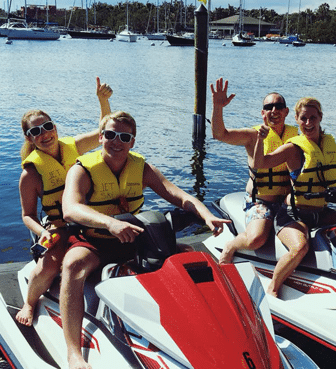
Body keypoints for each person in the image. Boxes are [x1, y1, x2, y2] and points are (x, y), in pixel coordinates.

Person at [61, 111, 231, 369]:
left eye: (124, 137)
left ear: (133, 141)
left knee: (190, 258)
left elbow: (178, 195)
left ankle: (210, 330)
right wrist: (110, 222)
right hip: (98, 241)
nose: (116, 141)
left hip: (134, 239)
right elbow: (70, 209)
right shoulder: (81, 170)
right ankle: (74, 351)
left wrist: (207, 215)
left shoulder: (142, 168)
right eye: (110, 135)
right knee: (73, 265)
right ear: (100, 137)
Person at [252, 97, 336, 298]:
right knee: (299, 248)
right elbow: (261, 163)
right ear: (297, 121)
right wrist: (259, 140)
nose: (308, 123)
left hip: (321, 212)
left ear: (320, 118)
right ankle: (273, 288)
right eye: (304, 119)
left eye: (313, 118)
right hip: (293, 215)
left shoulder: (330, 144)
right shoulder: (293, 148)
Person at [15, 77, 113, 326]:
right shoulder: (30, 173)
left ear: (54, 126)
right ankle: (29, 302)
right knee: (48, 267)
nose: (44, 134)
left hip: (87, 216)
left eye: (47, 126)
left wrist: (103, 101)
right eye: (35, 131)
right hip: (58, 224)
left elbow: (105, 133)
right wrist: (42, 234)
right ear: (29, 138)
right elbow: (27, 214)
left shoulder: (74, 146)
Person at [210, 77, 299, 264]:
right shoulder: (253, 135)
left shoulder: (296, 136)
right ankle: (231, 246)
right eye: (268, 107)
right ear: (262, 113)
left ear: (286, 111)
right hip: (261, 202)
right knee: (256, 239)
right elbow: (220, 134)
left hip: (288, 202)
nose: (273, 110)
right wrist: (218, 106)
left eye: (278, 106)